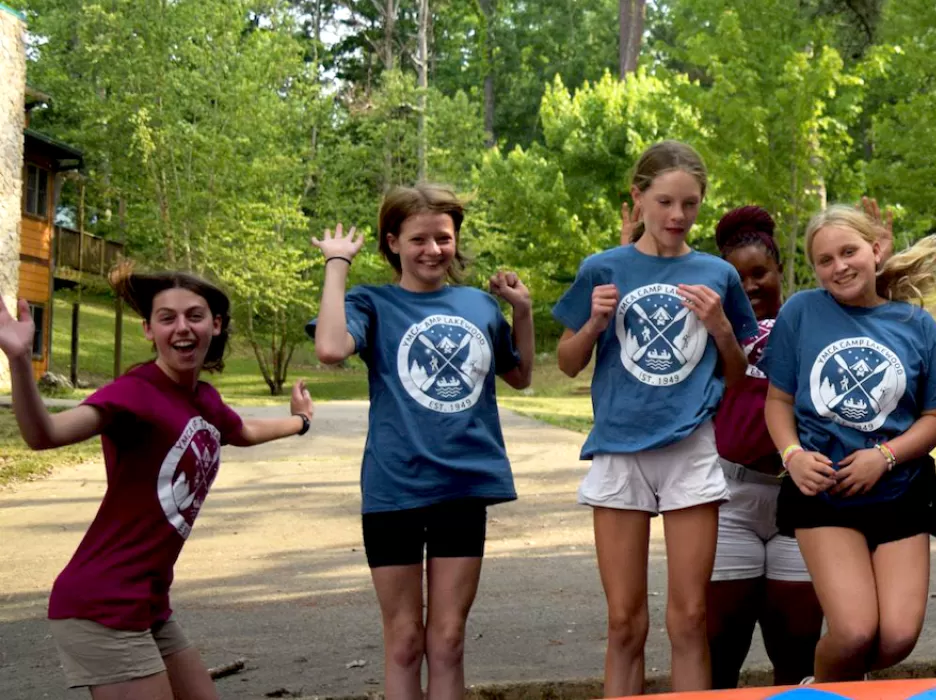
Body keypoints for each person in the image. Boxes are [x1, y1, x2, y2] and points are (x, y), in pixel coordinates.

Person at [3, 265, 313, 699]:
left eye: (194, 316)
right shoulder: (134, 393)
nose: (182, 327)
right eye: (167, 318)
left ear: (215, 325)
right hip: (102, 604)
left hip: (148, 602)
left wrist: (300, 422)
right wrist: (20, 360)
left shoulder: (203, 399)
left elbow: (243, 431)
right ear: (149, 330)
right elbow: (44, 434)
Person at [308, 184, 535, 700]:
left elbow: (520, 376)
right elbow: (330, 348)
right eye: (418, 239)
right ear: (392, 242)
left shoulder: (479, 304)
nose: (433, 250)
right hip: (395, 489)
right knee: (406, 642)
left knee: (449, 641)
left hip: (463, 486)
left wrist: (521, 310)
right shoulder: (372, 302)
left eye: (443, 238)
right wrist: (337, 264)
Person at [553, 140, 757, 695]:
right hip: (620, 450)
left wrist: (720, 327)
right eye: (665, 202)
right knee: (624, 623)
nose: (677, 216)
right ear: (638, 196)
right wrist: (594, 325)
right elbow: (567, 363)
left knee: (690, 619)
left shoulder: (717, 274)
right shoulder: (603, 267)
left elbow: (737, 375)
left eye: (690, 204)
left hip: (690, 449)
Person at [761, 205, 936, 682]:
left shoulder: (917, 325)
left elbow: (935, 419)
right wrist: (792, 455)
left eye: (848, 252)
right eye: (825, 260)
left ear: (876, 249)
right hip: (825, 493)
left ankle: (841, 682)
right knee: (852, 633)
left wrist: (884, 456)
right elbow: (777, 400)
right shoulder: (801, 312)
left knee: (896, 639)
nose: (839, 266)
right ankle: (819, 689)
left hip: (899, 491)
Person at [705, 205, 824, 687]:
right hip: (730, 497)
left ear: (780, 271)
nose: (750, 286)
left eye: (760, 273)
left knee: (797, 651)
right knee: (721, 650)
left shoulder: (812, 321)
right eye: (737, 278)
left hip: (800, 498)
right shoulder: (711, 330)